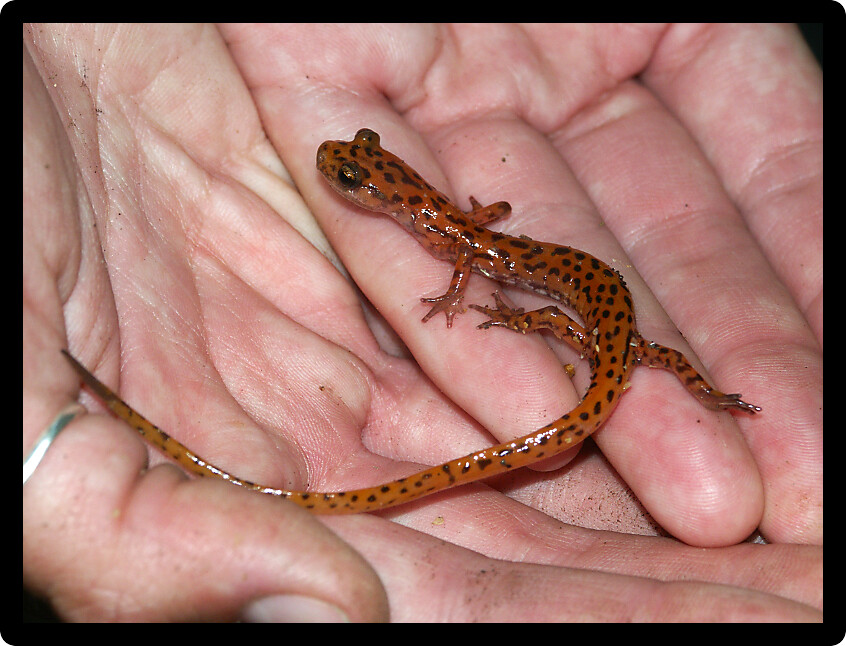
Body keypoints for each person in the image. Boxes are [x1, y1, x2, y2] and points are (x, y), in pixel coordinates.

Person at [23, 23, 822, 621]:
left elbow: (482, 246)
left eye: (352, 169)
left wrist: (485, 301)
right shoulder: (446, 229)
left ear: (386, 192)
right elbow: (493, 227)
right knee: (623, 352)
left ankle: (697, 397)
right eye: (349, 164)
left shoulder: (445, 235)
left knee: (589, 346)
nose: (339, 167)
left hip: (591, 318)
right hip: (593, 313)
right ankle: (698, 394)